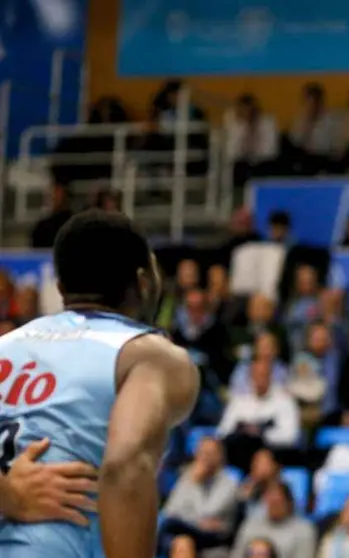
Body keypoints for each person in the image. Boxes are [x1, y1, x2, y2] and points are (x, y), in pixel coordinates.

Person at [0, 209, 200, 558]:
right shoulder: (149, 355)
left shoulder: (6, 344)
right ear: (144, 282)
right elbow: (125, 466)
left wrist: (8, 494)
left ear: (61, 288)